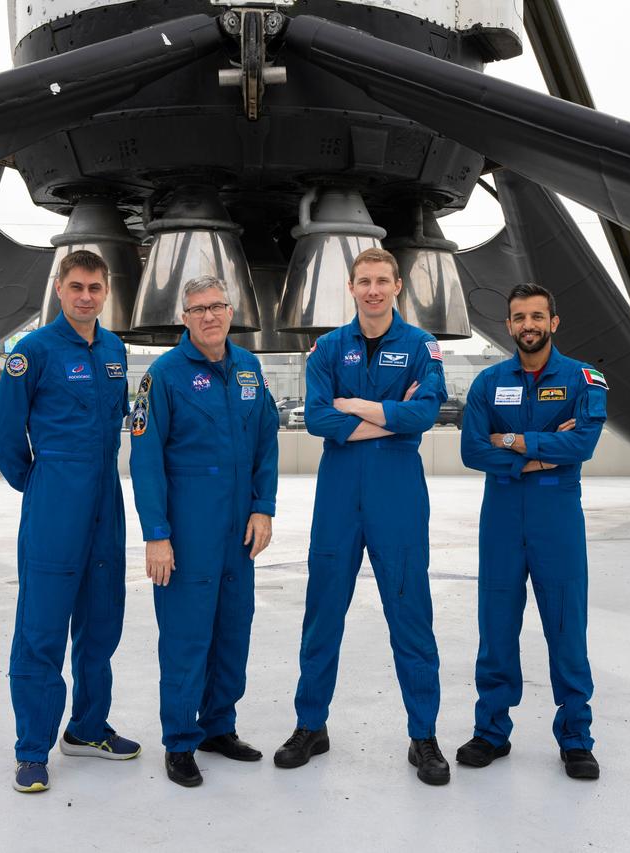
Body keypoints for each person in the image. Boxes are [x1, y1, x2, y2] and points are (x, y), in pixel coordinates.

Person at [274, 247, 452, 786]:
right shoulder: (328, 347)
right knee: (323, 610)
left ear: (397, 286)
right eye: (364, 281)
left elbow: (426, 412)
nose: (373, 290)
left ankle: (423, 735)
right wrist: (393, 418)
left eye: (382, 280)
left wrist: (355, 406)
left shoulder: (420, 345)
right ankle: (311, 725)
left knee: (410, 610)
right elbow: (317, 418)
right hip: (340, 491)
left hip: (397, 490)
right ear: (351, 288)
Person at [0, 249, 141, 793]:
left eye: (94, 288)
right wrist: (39, 484)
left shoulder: (115, 349)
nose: (85, 297)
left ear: (106, 291)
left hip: (105, 498)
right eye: (76, 286)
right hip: (56, 499)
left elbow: (121, 416)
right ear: (59, 288)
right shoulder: (32, 351)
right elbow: (6, 432)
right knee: (43, 626)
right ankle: (32, 749)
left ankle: (87, 728)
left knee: (102, 621)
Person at [129, 275, 279, 788]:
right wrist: (156, 534)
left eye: (217, 306)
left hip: (240, 531)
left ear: (230, 312)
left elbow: (266, 441)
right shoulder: (163, 376)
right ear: (184, 318)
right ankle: (179, 742)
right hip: (188, 533)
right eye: (198, 309)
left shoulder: (249, 368)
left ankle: (219, 726)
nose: (209, 316)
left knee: (233, 631)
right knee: (186, 637)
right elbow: (145, 459)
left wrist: (263, 507)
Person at [456, 282, 607, 780]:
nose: (528, 325)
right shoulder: (488, 382)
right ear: (509, 325)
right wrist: (541, 453)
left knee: (566, 624)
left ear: (553, 322)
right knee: (496, 624)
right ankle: (490, 732)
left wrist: (512, 440)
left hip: (556, 516)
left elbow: (582, 444)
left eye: (537, 316)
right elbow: (472, 450)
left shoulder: (583, 379)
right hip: (501, 516)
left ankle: (576, 738)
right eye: (519, 317)